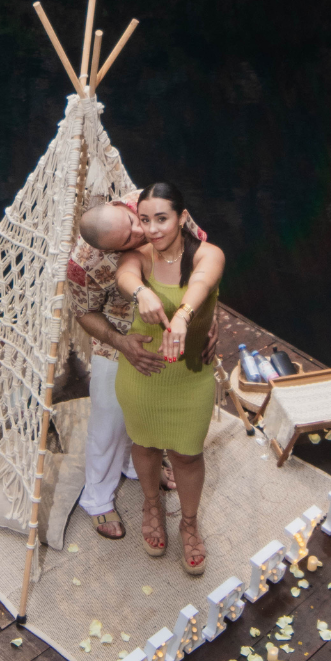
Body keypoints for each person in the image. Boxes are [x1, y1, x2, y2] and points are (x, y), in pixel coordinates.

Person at [66, 194, 209, 541]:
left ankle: (137, 466)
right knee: (110, 419)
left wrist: (209, 317)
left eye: (133, 222)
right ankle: (97, 499)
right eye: (128, 239)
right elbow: (84, 313)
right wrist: (120, 343)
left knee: (159, 408)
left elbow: (204, 257)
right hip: (120, 338)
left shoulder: (153, 208)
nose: (141, 232)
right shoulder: (82, 265)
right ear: (110, 251)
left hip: (175, 323)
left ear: (122, 206)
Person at [114, 182, 225, 578]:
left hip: (190, 376)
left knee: (188, 454)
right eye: (145, 220)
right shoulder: (137, 256)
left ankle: (189, 523)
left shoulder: (208, 254)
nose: (153, 229)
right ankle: (150, 505)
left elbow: (201, 283)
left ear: (181, 217)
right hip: (144, 374)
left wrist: (184, 314)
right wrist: (141, 290)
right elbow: (125, 275)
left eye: (162, 219)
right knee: (144, 444)